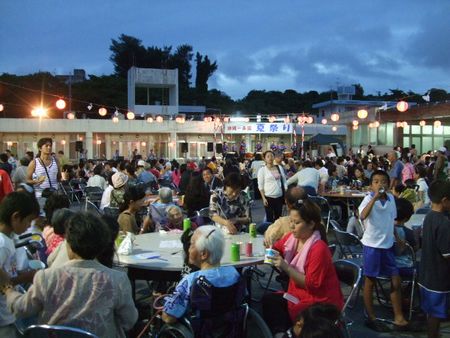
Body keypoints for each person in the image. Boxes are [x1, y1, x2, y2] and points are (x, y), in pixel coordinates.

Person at [0, 212, 138, 338]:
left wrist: (7, 288)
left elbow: (20, 308)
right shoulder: (117, 279)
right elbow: (129, 320)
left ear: (69, 243)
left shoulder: (46, 277)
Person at [262, 199, 343, 334]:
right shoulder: (292, 239)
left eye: (297, 223)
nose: (292, 226)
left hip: (320, 302)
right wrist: (269, 245)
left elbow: (311, 285)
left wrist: (286, 267)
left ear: (311, 224)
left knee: (276, 306)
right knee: (269, 301)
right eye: (291, 222)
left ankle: (288, 333)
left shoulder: (319, 249)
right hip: (298, 294)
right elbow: (276, 248)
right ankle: (282, 333)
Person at [358, 170, 414, 332]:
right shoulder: (368, 199)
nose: (380, 184)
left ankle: (399, 318)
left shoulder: (391, 199)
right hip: (372, 246)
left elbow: (391, 220)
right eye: (376, 181)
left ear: (389, 184)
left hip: (388, 245)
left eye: (383, 181)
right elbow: (362, 216)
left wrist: (397, 236)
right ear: (371, 185)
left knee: (395, 280)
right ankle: (371, 317)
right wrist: (374, 198)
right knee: (370, 281)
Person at [162, 225, 240, 324]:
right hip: (227, 328)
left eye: (191, 244)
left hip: (198, 330)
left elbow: (169, 318)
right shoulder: (233, 273)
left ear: (203, 254)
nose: (188, 249)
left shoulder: (191, 280)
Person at [0, 192, 40, 337]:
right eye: (29, 221)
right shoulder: (2, 243)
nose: (29, 226)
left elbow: (7, 274)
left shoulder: (7, 239)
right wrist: (24, 278)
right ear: (16, 217)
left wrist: (23, 276)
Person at [418, 180, 450, 338]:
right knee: (436, 315)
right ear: (445, 201)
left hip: (425, 274)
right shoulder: (444, 223)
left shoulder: (429, 216)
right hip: (438, 279)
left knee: (431, 312)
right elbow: (447, 255)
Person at [26, 138, 61, 203]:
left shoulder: (56, 161)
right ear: (40, 148)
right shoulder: (34, 163)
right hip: (40, 196)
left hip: (54, 195)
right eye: (46, 146)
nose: (49, 147)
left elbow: (59, 177)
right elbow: (27, 180)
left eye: (50, 146)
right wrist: (37, 181)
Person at [258, 150, 287, 223]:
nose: (270, 158)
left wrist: (286, 195)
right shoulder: (262, 170)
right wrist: (264, 198)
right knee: (269, 219)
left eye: (271, 156)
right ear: (264, 159)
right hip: (268, 197)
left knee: (278, 219)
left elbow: (284, 181)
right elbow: (260, 186)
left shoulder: (279, 168)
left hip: (279, 196)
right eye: (268, 156)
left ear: (274, 157)